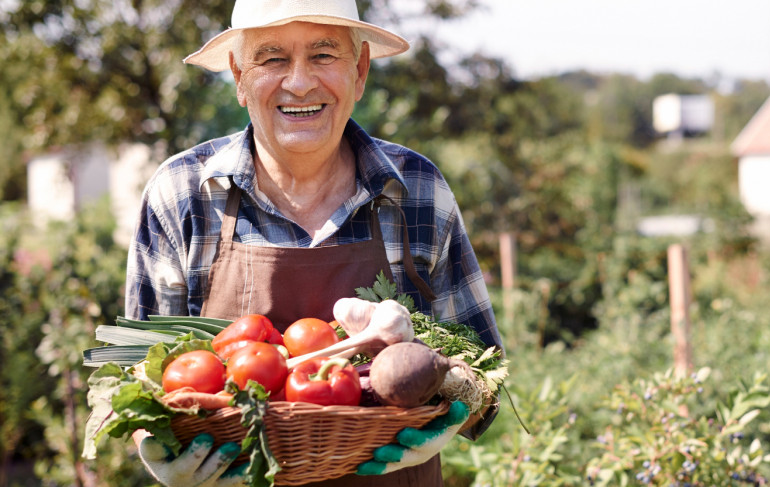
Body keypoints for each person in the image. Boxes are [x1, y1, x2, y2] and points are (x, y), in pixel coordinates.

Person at [124, 0, 503, 485]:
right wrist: (159, 455)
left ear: (360, 71)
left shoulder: (418, 190)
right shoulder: (181, 194)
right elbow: (139, 379)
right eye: (272, 58)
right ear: (239, 75)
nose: (299, 82)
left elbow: (482, 377)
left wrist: (447, 420)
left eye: (324, 55)